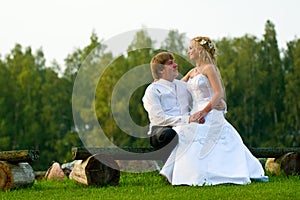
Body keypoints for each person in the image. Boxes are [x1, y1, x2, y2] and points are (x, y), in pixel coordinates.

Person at [160, 36, 268, 186]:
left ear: (200, 50)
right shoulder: (192, 72)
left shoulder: (209, 68)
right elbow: (177, 87)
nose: (188, 51)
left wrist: (204, 111)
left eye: (191, 48)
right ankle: (184, 174)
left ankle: (207, 174)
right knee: (184, 132)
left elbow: (218, 93)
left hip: (210, 112)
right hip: (195, 113)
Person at [142, 52, 225, 162]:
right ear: (161, 69)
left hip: (186, 126)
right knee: (170, 134)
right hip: (162, 130)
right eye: (170, 63)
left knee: (205, 129)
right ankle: (170, 167)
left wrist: (219, 102)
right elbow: (159, 119)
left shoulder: (183, 86)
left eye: (174, 62)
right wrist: (187, 120)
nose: (176, 65)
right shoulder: (152, 90)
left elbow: (200, 99)